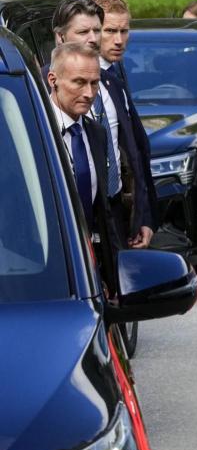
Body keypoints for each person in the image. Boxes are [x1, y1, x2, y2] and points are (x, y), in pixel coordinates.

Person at [47, 41, 119, 291]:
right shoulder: (35, 132)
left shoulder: (96, 133)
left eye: (94, 83)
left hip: (87, 270)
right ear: (53, 80)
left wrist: (112, 280)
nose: (89, 93)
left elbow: (102, 212)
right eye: (79, 82)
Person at [86, 0, 154, 250]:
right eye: (110, 31)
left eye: (124, 31)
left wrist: (143, 217)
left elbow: (134, 150)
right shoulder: (80, 81)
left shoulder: (116, 72)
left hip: (119, 211)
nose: (118, 40)